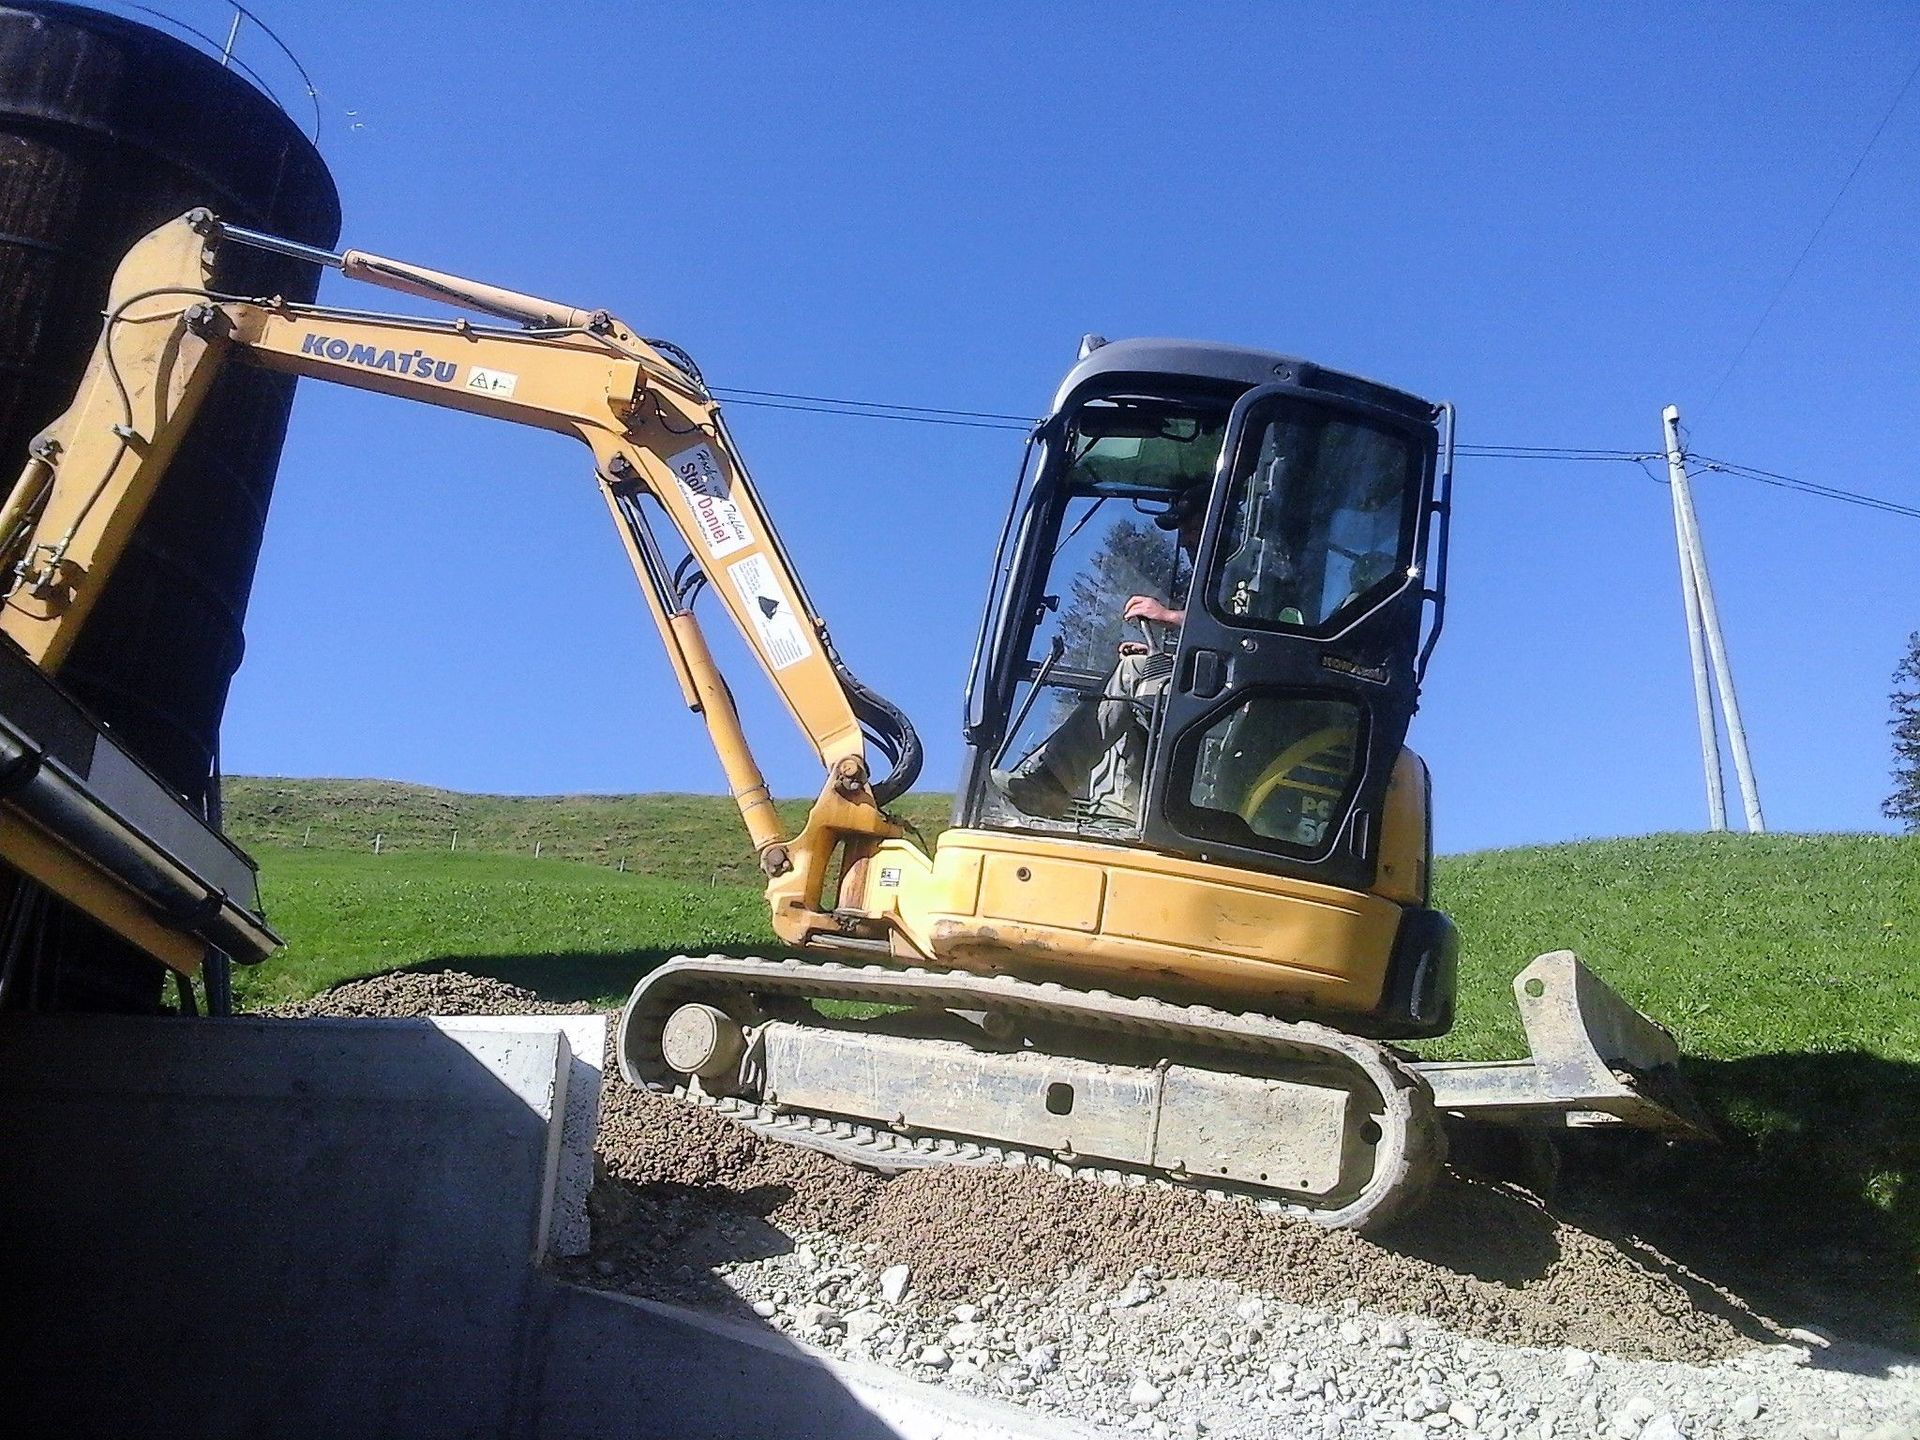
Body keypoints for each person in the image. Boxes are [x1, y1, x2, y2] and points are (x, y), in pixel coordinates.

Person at [993, 488, 1203, 823]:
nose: (1188, 540)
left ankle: (1053, 781)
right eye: (1185, 533)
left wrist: (1170, 616)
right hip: (1205, 686)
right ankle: (1120, 812)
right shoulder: (1216, 577)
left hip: (1231, 698)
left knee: (1132, 673)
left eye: (1193, 530)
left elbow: (1245, 633)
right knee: (1137, 681)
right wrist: (1163, 653)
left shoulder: (1245, 573)